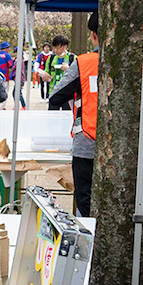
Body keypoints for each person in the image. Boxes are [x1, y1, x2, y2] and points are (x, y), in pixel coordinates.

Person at [48, 12, 99, 216]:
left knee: (85, 201)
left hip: (87, 142)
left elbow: (55, 97)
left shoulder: (83, 63)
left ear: (93, 35)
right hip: (127, 148)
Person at [46, 35, 75, 101]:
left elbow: (78, 75)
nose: (55, 50)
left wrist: (68, 69)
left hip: (68, 94)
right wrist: (45, 76)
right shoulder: (51, 58)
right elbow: (47, 72)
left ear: (65, 46)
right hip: (53, 93)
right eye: (54, 48)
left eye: (58, 48)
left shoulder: (72, 58)